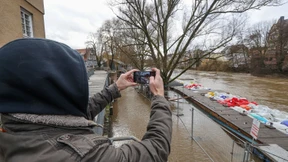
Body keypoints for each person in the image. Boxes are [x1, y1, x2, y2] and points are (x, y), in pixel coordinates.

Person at [0, 38, 172, 162]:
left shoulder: (14, 129)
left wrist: (116, 88)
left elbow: (71, 119)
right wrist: (158, 97)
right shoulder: (84, 155)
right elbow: (155, 149)